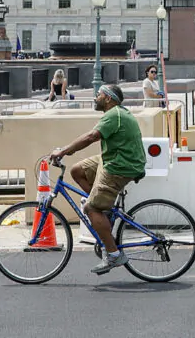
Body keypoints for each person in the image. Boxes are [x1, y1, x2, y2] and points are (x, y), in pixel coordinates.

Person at [49, 84, 146, 275]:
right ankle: (104, 210)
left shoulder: (114, 114)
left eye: (99, 94)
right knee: (77, 171)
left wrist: (64, 151)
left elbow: (91, 137)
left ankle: (113, 254)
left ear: (108, 99)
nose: (95, 97)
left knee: (90, 209)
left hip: (120, 166)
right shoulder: (116, 114)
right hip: (112, 158)